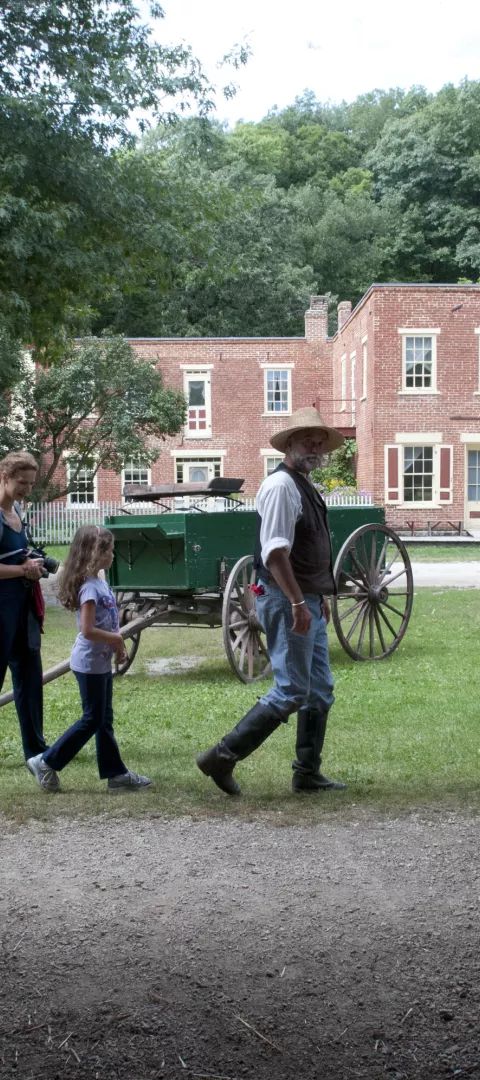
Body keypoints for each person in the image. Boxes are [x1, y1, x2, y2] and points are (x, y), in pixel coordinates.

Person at [197, 406, 347, 796]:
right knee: (293, 688)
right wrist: (298, 603)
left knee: (319, 688)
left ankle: (306, 773)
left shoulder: (303, 483)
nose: (314, 447)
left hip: (303, 597)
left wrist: (315, 597)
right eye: (307, 440)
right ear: (290, 444)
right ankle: (221, 757)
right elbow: (276, 553)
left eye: (319, 442)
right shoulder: (282, 486)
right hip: (284, 599)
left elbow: (304, 548)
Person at [27, 524, 152, 793]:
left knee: (103, 719)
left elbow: (108, 622)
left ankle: (116, 774)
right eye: (110, 550)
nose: (114, 554)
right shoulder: (90, 589)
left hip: (99, 663)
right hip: (88, 664)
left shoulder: (99, 581)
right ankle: (47, 761)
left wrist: (117, 647)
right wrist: (117, 640)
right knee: (93, 719)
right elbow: (87, 629)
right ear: (96, 553)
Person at [0, 451, 55, 775]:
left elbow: (19, 552)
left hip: (22, 610)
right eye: (22, 483)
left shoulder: (17, 510)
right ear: (5, 476)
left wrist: (34, 561)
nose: (27, 489)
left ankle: (36, 751)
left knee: (30, 680)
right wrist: (23, 570)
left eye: (31, 484)